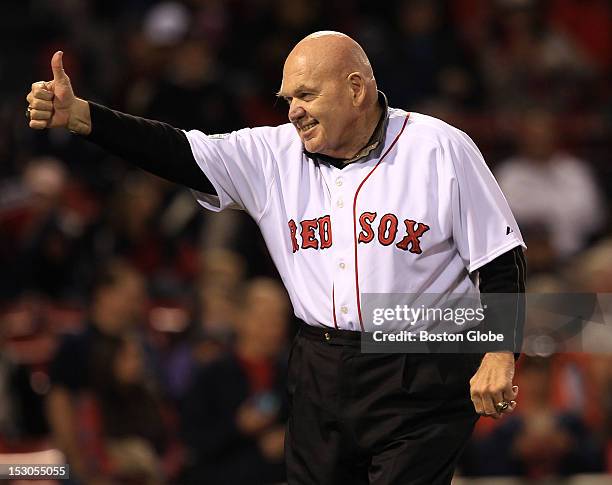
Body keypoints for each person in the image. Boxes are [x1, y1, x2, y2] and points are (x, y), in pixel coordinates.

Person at [27, 31, 526, 484]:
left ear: (357, 89)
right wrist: (83, 118)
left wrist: (501, 353)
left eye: (307, 96)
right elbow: (177, 151)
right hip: (319, 363)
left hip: (423, 363)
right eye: (287, 99)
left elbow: (500, 257)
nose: (293, 112)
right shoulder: (272, 154)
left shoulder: (438, 148)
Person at [182, 277, 290, 484]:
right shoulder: (212, 374)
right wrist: (237, 427)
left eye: (279, 318)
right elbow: (193, 441)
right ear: (240, 317)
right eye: (264, 317)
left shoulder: (293, 376)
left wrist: (289, 440)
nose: (273, 327)